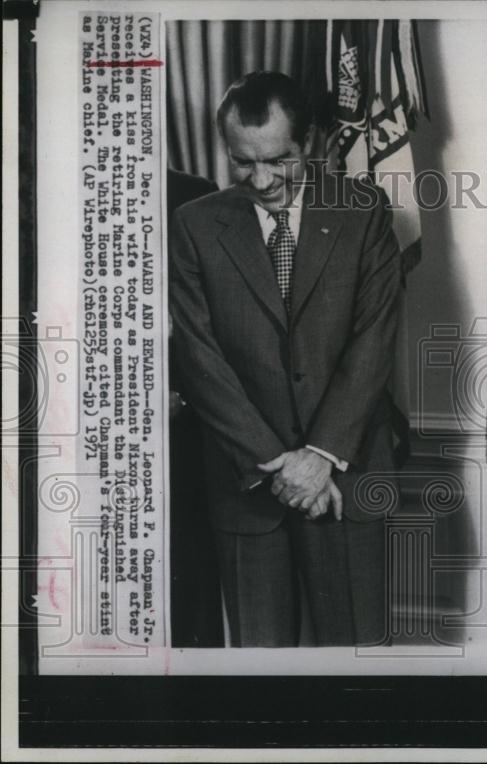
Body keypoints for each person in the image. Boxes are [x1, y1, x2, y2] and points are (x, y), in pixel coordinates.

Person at [169, 71, 401, 647]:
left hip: (347, 476)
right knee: (260, 679)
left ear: (314, 145)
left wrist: (320, 456)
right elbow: (199, 359)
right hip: (246, 486)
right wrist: (277, 464)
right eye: (243, 163)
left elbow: (374, 339)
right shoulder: (194, 225)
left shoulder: (363, 211)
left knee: (358, 670)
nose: (263, 179)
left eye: (280, 160)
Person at [166, 168, 224, 647]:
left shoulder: (193, 196)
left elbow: (220, 326)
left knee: (192, 581)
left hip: (184, 426)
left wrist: (181, 394)